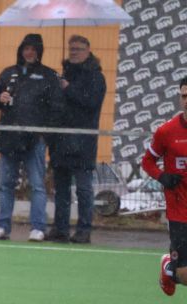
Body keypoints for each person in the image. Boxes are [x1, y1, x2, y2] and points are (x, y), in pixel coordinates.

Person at [0, 33, 64, 242]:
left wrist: (44, 132)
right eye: (26, 48)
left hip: (34, 139)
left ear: (39, 52)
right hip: (8, 137)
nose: (29, 53)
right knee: (6, 184)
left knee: (37, 185)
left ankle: (38, 227)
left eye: (33, 49)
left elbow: (57, 106)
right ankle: (2, 226)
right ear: (21, 50)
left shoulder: (48, 76)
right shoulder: (8, 73)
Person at [46, 35, 107, 244]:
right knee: (61, 188)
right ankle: (60, 228)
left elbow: (91, 102)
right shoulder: (64, 74)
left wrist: (68, 89)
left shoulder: (96, 77)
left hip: (83, 141)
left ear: (88, 51)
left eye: (78, 49)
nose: (74, 52)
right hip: (60, 139)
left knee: (83, 188)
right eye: (71, 48)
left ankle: (84, 229)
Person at [142, 76, 187, 297]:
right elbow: (147, 161)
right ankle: (169, 267)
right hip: (179, 210)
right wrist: (162, 177)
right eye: (184, 96)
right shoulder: (167, 132)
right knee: (184, 276)